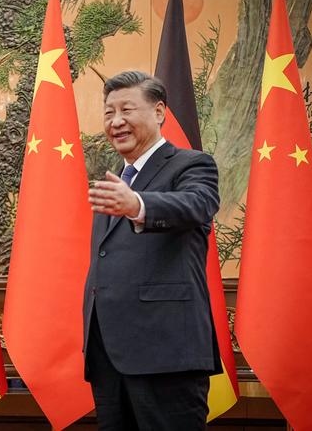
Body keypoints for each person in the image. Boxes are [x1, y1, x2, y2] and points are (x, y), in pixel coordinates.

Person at [84, 71, 221, 430]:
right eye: (109, 112)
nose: (116, 121)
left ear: (159, 112)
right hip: (110, 357)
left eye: (127, 109)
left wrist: (138, 204)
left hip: (167, 354)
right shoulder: (118, 180)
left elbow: (197, 204)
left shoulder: (192, 164)